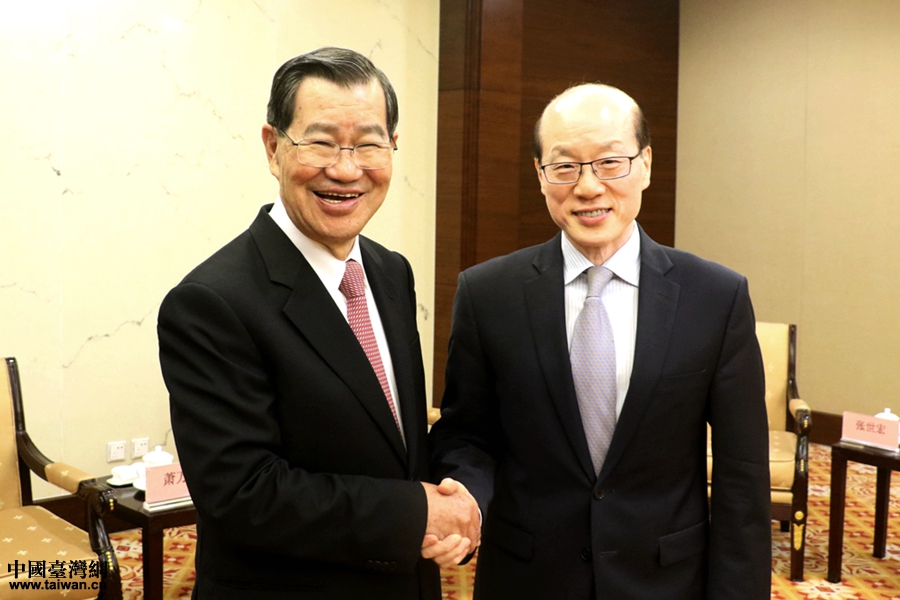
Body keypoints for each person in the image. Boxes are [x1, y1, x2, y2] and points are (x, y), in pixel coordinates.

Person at [158, 47, 479, 600]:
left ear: (393, 147)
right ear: (273, 147)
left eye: (369, 144)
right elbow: (242, 494)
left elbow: (396, 442)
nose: (347, 169)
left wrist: (456, 498)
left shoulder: (390, 271)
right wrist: (415, 512)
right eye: (322, 142)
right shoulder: (211, 302)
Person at [429, 83, 771, 599]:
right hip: (528, 579)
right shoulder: (488, 294)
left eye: (611, 162)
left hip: (666, 580)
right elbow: (466, 435)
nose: (588, 187)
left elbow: (741, 474)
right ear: (540, 174)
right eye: (565, 166)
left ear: (646, 164)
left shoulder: (716, 297)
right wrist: (467, 499)